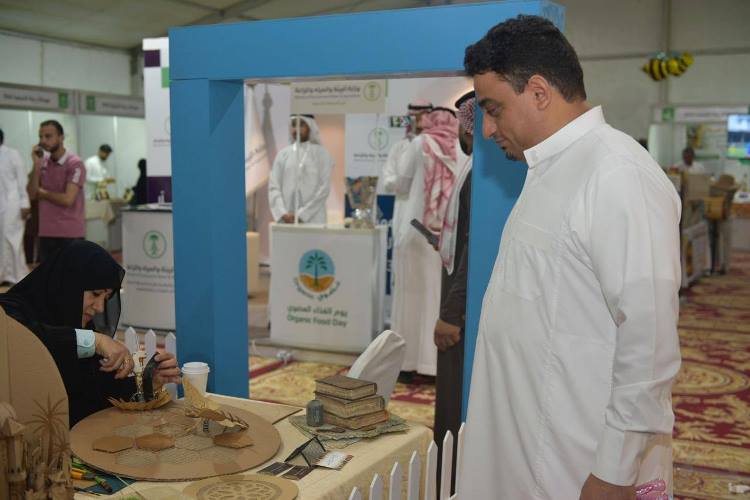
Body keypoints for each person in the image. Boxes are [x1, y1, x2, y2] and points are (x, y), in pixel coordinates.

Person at [459, 15, 681, 499]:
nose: (488, 129)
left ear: (539, 92)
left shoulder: (617, 173)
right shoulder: (550, 168)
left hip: (576, 464)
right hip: (528, 447)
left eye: (493, 109)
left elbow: (649, 342)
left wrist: (615, 471)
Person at [0, 240, 181, 426]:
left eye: (106, 297)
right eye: (95, 294)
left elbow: (99, 390)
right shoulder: (9, 311)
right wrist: (96, 341)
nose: (100, 307)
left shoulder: (78, 323)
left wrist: (150, 381)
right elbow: (30, 342)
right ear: (68, 282)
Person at [389, 107, 458, 376]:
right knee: (435, 297)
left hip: (415, 229)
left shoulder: (419, 143)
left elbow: (401, 184)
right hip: (442, 233)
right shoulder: (457, 146)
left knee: (409, 297)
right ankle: (431, 364)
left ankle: (407, 363)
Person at [433, 91, 474, 495]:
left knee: (454, 397)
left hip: (460, 308)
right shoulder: (473, 170)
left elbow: (471, 250)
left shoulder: (479, 176)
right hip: (459, 295)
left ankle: (451, 483)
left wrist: (450, 313)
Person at [27, 120, 86, 262]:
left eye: (48, 136)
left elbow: (67, 199)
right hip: (46, 232)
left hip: (70, 233)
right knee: (48, 275)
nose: (43, 141)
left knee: (71, 274)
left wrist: (43, 193)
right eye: (41, 137)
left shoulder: (75, 163)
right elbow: (32, 194)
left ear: (61, 137)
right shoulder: (42, 162)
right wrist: (36, 166)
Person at [268, 115, 333, 224]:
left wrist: (303, 215)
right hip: (287, 220)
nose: (297, 129)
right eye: (294, 125)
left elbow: (324, 188)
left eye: (301, 125)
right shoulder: (283, 155)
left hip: (314, 219)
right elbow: (274, 187)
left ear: (310, 127)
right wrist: (283, 213)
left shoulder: (322, 154)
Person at [0, 128, 30, 284]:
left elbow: (22, 180)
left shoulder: (12, 154)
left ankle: (18, 276)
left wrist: (25, 203)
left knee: (12, 239)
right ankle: (3, 275)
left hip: (13, 205)